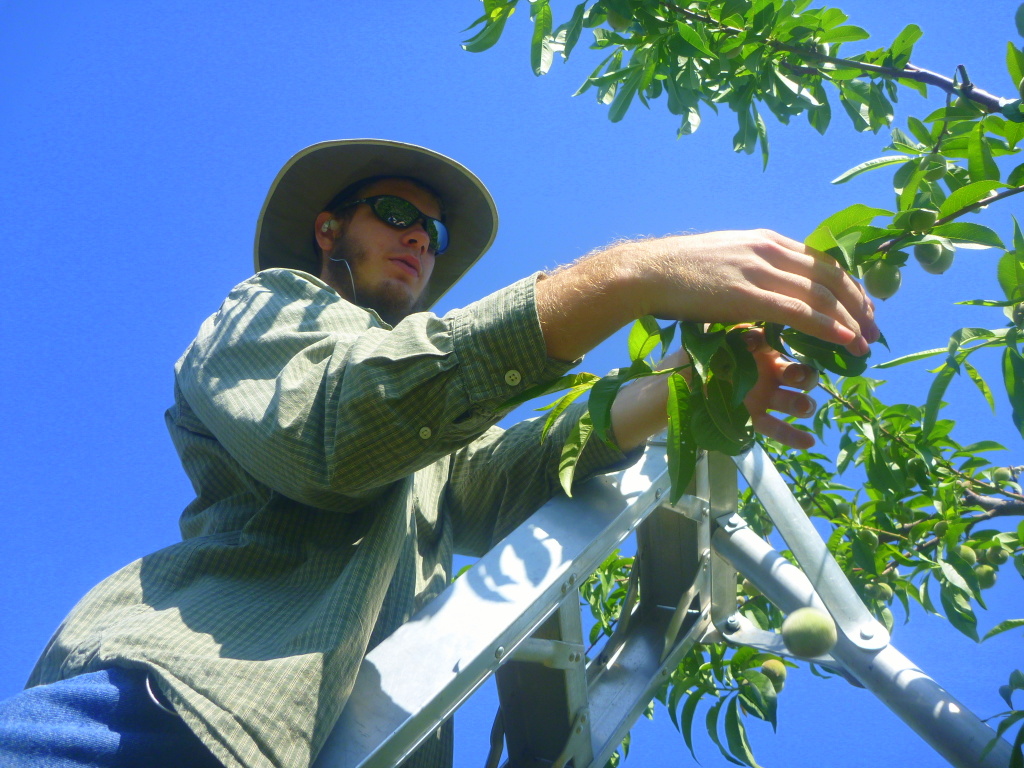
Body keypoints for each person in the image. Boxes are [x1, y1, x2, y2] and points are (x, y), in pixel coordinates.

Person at [0, 139, 877, 768]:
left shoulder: (432, 437)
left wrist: (692, 387)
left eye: (433, 231)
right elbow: (337, 431)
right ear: (328, 230)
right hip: (171, 715)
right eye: (395, 214)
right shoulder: (265, 311)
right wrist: (626, 276)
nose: (421, 237)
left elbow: (512, 473)